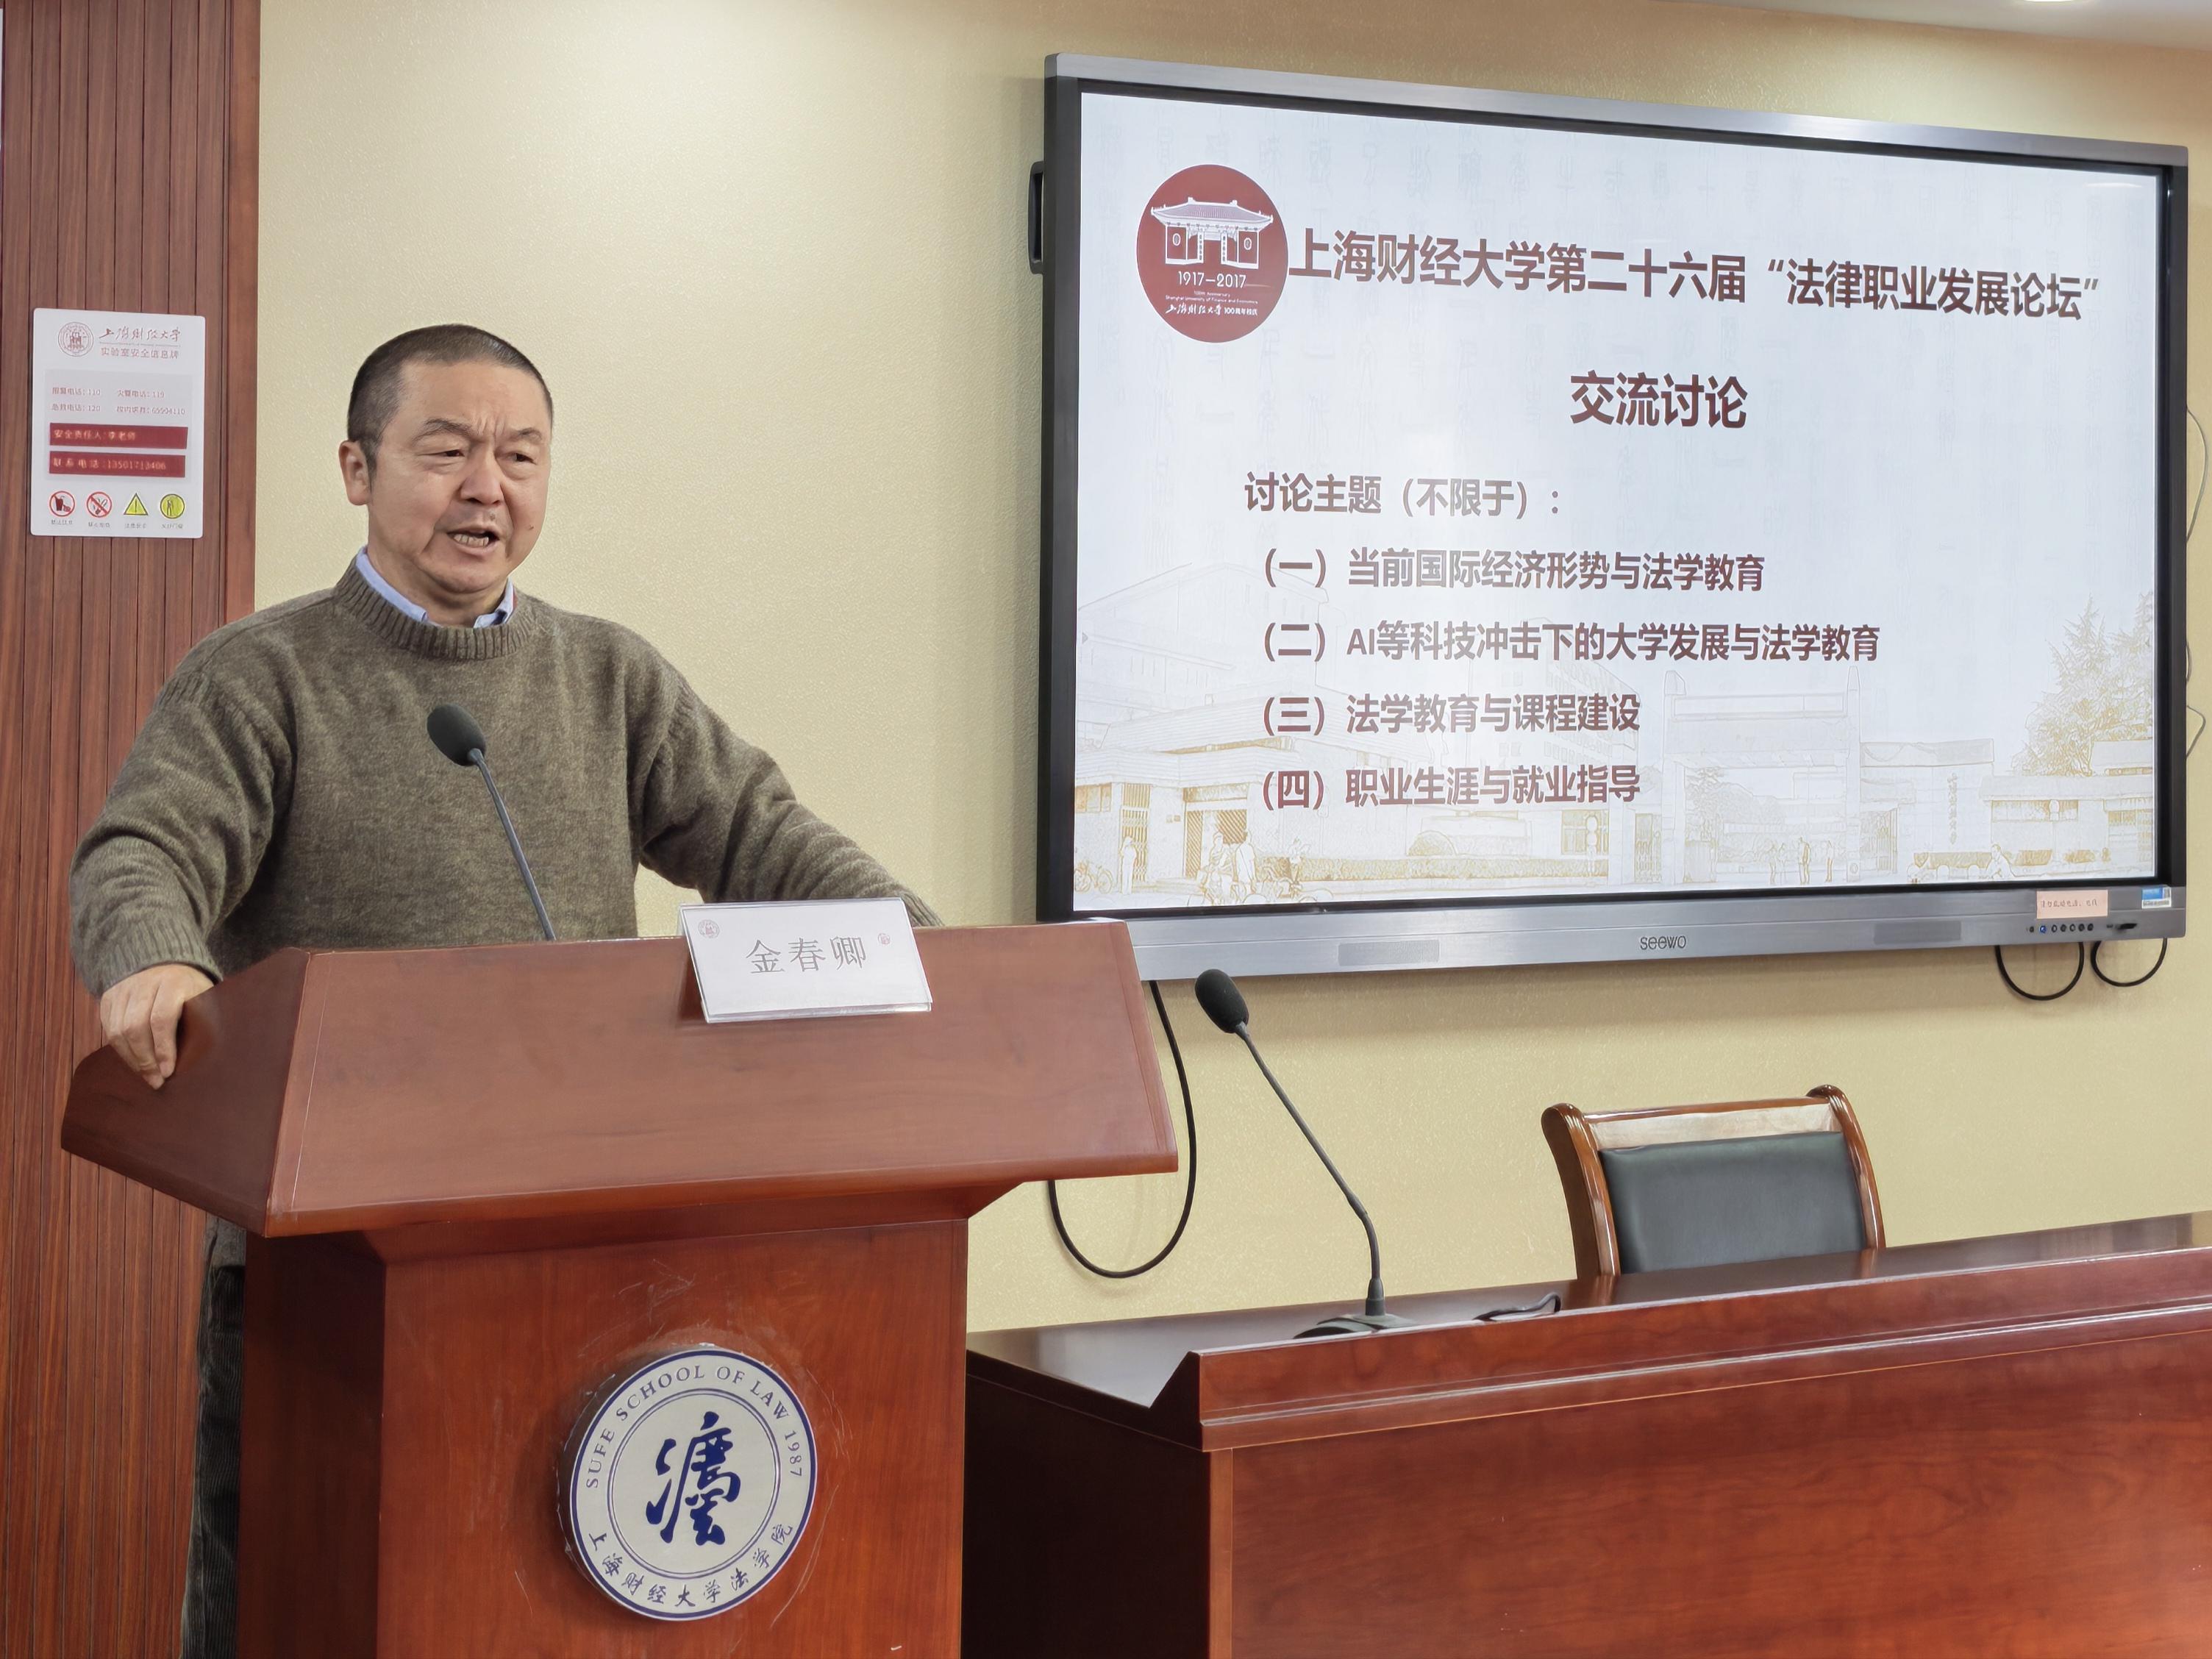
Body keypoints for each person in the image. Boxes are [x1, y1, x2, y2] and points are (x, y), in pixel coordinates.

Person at [68, 324, 935, 1659]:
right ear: (357, 470)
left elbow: (766, 840)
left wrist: (930, 951)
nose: (488, 486)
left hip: (591, 1251)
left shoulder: (608, 677)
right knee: (302, 1603)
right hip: (330, 1269)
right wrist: (152, 958)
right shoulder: (264, 675)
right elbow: (143, 853)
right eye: (448, 450)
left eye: (521, 457)